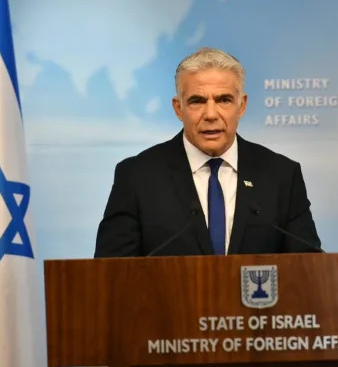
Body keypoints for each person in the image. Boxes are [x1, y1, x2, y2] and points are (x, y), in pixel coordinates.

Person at [95, 47, 320, 257]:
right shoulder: (137, 176)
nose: (211, 114)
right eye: (197, 101)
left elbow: (309, 269)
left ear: (241, 106)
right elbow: (110, 276)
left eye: (224, 100)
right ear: (178, 108)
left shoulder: (281, 175)